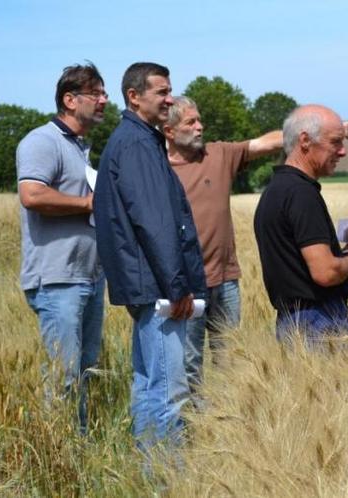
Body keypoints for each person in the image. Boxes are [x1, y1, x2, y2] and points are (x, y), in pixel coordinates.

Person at [93, 63, 206, 450]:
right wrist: (177, 288)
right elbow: (155, 224)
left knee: (147, 385)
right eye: (162, 92)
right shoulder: (139, 144)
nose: (170, 99)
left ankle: (146, 475)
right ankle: (163, 480)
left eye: (170, 91)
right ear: (134, 96)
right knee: (168, 393)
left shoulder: (132, 140)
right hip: (159, 289)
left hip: (145, 286)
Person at [162, 96, 282, 388]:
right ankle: (193, 428)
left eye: (200, 119)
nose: (200, 127)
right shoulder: (158, 171)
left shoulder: (217, 154)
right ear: (169, 131)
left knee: (229, 360)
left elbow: (265, 143)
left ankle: (225, 427)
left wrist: (320, 130)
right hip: (186, 286)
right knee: (189, 365)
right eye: (191, 122)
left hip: (226, 281)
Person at [16, 62, 108, 434]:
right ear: (70, 100)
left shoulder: (81, 148)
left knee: (83, 369)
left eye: (104, 94)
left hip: (88, 276)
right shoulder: (43, 141)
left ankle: (78, 447)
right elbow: (32, 194)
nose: (104, 100)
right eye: (96, 94)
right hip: (57, 279)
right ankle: (60, 455)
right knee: (63, 375)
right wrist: (89, 204)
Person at [253, 104, 348, 346]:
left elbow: (299, 265)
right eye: (335, 142)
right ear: (305, 141)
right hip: (318, 323)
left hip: (294, 322)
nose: (342, 152)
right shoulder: (301, 194)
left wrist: (345, 253)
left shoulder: (276, 189)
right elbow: (325, 273)